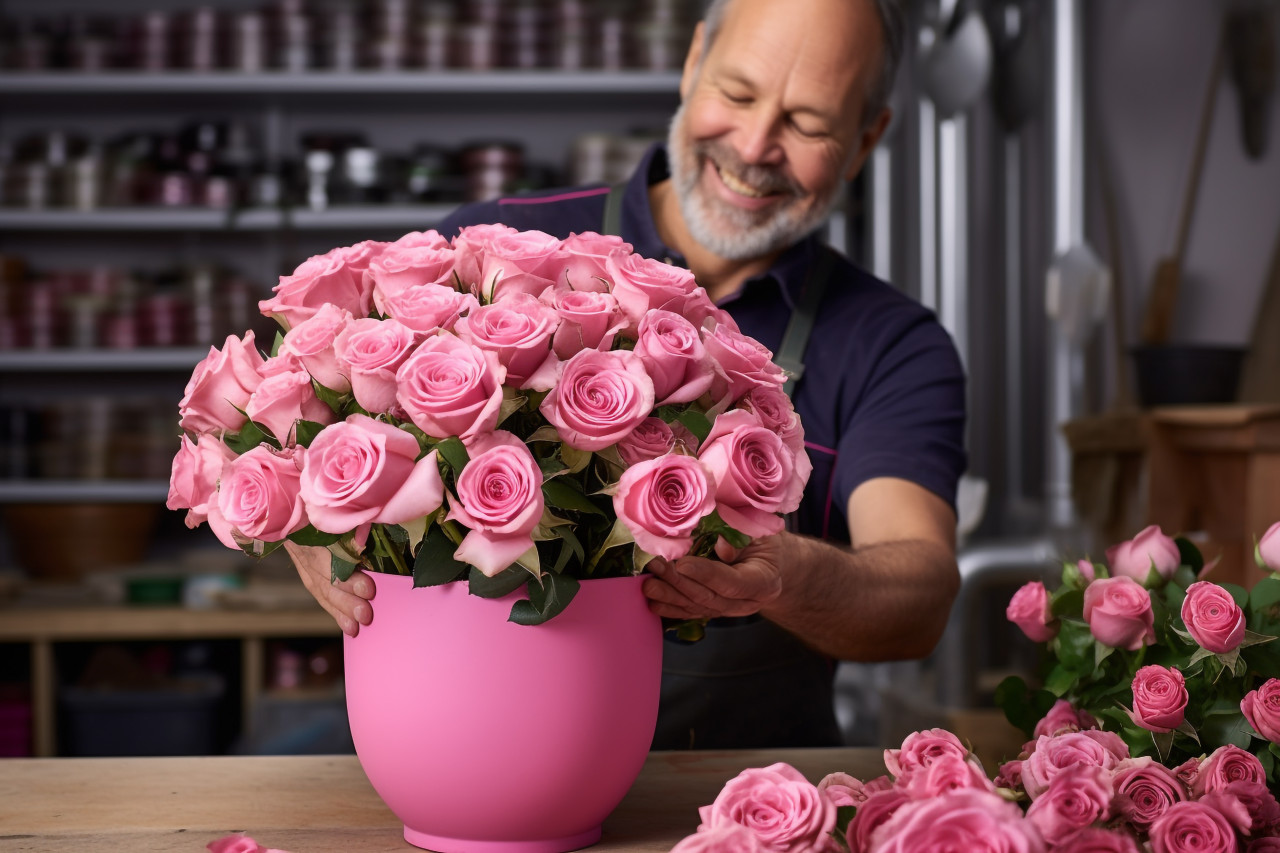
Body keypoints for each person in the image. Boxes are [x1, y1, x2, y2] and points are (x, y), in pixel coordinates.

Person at [286, 0, 967, 750]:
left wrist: (787, 574)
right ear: (694, 58)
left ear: (867, 137)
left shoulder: (890, 343)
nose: (754, 145)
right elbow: (289, 404)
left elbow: (920, 595)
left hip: (728, 798)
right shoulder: (498, 249)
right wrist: (304, 509)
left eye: (807, 123)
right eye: (737, 93)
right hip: (456, 761)